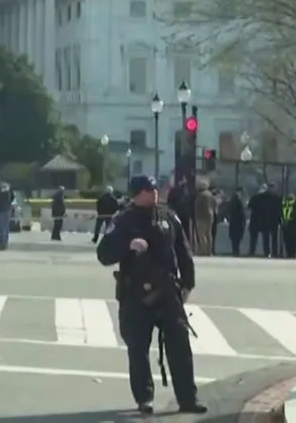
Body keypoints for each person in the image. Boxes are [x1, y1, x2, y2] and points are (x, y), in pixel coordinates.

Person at [96, 175, 207, 415]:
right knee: (138, 348)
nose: (154, 192)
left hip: (168, 292)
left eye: (155, 188)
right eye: (148, 189)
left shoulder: (168, 216)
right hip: (136, 294)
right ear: (137, 193)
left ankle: (188, 398)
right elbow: (104, 254)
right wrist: (127, 246)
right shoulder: (123, 220)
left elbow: (183, 251)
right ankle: (144, 398)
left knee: (179, 344)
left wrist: (188, 283)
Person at [192, 183, 216, 256]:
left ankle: (203, 251)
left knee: (201, 235)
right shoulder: (211, 195)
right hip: (210, 216)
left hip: (201, 216)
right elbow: (215, 205)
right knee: (209, 234)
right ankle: (209, 251)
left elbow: (197, 207)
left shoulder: (200, 196)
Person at [0, 179, 14, 251]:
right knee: (6, 227)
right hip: (7, 208)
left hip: (0, 209)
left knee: (1, 227)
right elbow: (12, 197)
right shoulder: (8, 187)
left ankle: (2, 244)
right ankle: (5, 243)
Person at [224, 188, 245, 256]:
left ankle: (235, 251)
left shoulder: (232, 200)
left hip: (233, 222)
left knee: (234, 239)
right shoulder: (237, 200)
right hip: (238, 222)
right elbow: (241, 213)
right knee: (237, 238)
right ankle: (236, 251)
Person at [280, 192, 296, 258]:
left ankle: (290, 254)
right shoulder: (294, 203)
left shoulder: (284, 204)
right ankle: (291, 254)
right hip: (290, 224)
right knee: (291, 241)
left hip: (287, 224)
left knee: (288, 241)